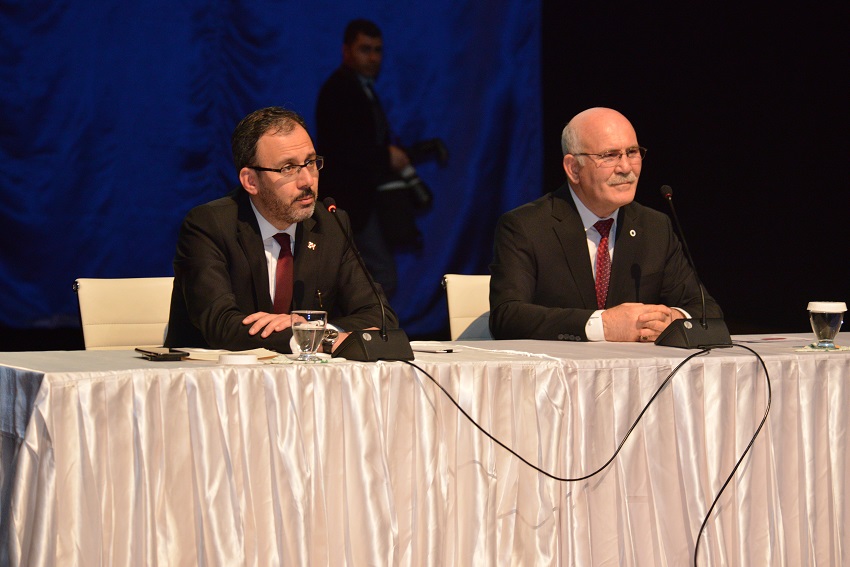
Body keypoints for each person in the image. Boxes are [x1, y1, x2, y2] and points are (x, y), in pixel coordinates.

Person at [164, 106, 397, 353]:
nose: (307, 180)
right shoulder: (209, 225)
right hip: (213, 374)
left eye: (310, 163)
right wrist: (301, 335)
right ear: (251, 181)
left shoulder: (330, 224)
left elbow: (380, 317)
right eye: (288, 168)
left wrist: (311, 329)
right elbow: (222, 326)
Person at [489, 107, 722, 343]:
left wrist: (673, 319)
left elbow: (707, 311)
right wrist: (603, 326)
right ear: (574, 168)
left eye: (632, 152)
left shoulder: (655, 227)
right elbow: (507, 317)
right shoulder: (526, 227)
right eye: (609, 156)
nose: (626, 168)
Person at [315, 18, 431, 298]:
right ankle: (363, 326)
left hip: (362, 203)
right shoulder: (340, 89)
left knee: (368, 278)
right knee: (380, 277)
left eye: (377, 50)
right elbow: (343, 149)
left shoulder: (359, 87)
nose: (373, 57)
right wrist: (386, 156)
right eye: (364, 49)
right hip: (350, 204)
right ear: (346, 51)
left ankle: (359, 324)